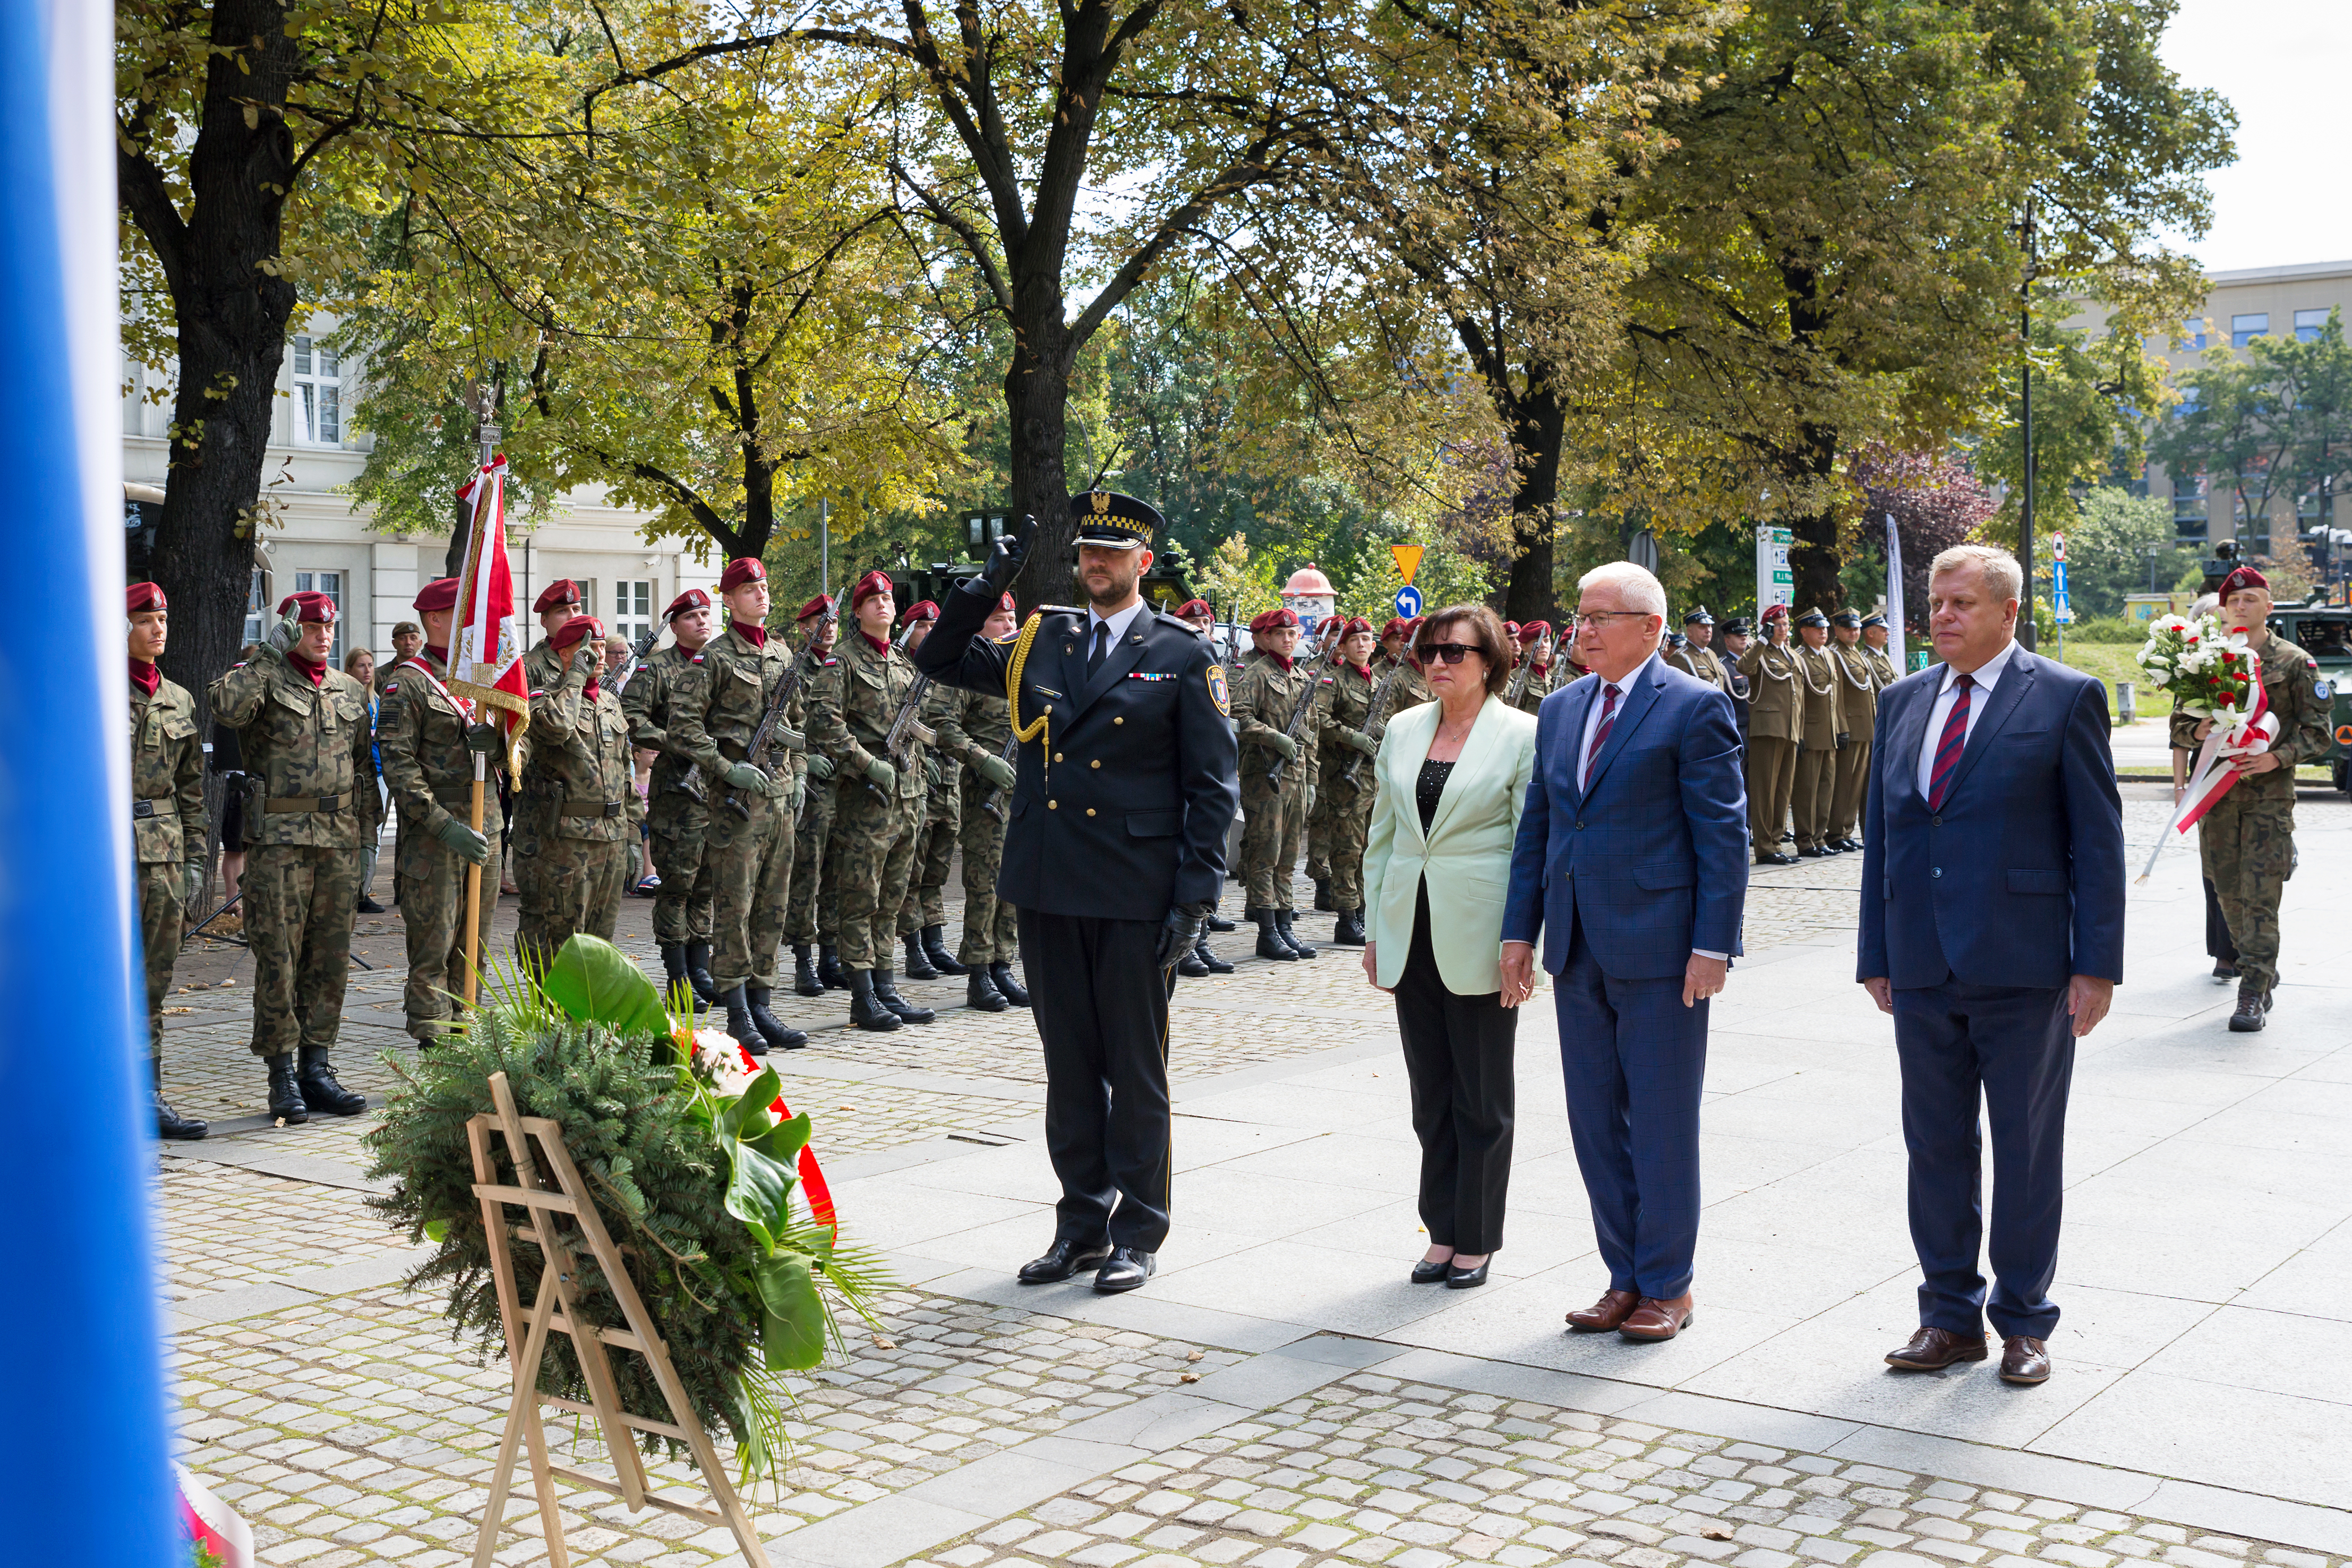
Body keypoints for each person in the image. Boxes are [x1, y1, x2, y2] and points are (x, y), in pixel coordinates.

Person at [912, 492, 1239, 1294]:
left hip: (1136, 890)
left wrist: (1195, 899)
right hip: (1053, 881)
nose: (1095, 564)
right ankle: (1080, 1224)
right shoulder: (1041, 639)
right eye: (1086, 551)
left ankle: (1138, 1229)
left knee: (1135, 1067)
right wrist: (984, 585)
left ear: (1142, 564)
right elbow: (939, 659)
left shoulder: (1183, 654)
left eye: (1111, 553)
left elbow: (1213, 788)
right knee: (1069, 1066)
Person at [1859, 543, 2125, 1387]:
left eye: (1960, 604)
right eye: (1935, 602)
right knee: (1934, 1148)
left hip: (2025, 967)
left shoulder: (2065, 696)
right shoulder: (1900, 701)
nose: (1940, 616)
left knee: (2024, 1148)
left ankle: (2022, 1321)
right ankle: (1947, 1317)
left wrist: (2097, 966)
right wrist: (1876, 952)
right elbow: (1885, 840)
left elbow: (2097, 844)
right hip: (1923, 966)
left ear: (2008, 612)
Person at [1500, 562, 1747, 1343]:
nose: (1584, 629)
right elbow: (1539, 826)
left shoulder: (1695, 707)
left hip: (1663, 949)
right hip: (1577, 946)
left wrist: (1714, 944)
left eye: (1601, 616)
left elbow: (1723, 837)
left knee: (1664, 1118)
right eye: (1579, 614)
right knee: (1595, 1120)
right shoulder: (1563, 706)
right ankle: (1623, 1275)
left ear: (1650, 627)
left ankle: (1669, 1283)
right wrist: (1519, 930)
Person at [1361, 603, 1538, 1288]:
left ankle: (1478, 1236)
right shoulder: (1404, 730)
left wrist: (1523, 940)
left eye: (1453, 652)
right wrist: (1376, 928)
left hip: (1483, 931)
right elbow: (1383, 838)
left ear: (1488, 660)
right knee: (1430, 1096)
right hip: (1412, 930)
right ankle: (1440, 1232)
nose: (1437, 662)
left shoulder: (1521, 734)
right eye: (1428, 651)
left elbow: (1530, 848)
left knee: (1482, 1099)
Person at [208, 593, 375, 1125]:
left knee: (328, 960)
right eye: (310, 626)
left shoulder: (350, 689)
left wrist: (367, 833)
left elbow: (362, 767)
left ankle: (317, 1069)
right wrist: (263, 655)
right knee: (279, 958)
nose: (323, 635)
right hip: (279, 839)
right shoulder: (264, 678)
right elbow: (224, 707)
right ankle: (281, 1076)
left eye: (329, 626)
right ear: (290, 628)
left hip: (338, 840)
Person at [2170, 565, 2330, 1030]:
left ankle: (2251, 993)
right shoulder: (2205, 660)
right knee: (2227, 895)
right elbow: (2178, 723)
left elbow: (2318, 732)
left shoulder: (2295, 662)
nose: (2240, 607)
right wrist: (2197, 728)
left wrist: (2276, 759)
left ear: (2268, 607)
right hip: (2216, 798)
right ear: (2223, 609)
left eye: (2250, 600)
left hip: (2267, 800)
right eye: (2233, 602)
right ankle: (2260, 968)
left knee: (2261, 897)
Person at [670, 560, 810, 1051]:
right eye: (749, 590)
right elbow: (683, 727)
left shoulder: (781, 652)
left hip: (778, 800)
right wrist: (726, 769)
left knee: (773, 906)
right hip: (736, 806)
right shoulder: (714, 658)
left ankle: (763, 1003)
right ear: (728, 600)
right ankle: (736, 1010)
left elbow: (796, 722)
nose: (761, 595)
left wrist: (799, 771)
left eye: (764, 587)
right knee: (735, 905)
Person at [807, 569, 936, 1031]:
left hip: (906, 797)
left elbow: (919, 724)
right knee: (860, 899)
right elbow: (823, 723)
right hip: (866, 798)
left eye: (887, 598)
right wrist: (867, 763)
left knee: (892, 899)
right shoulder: (840, 662)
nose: (882, 603)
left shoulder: (903, 663)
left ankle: (886, 987)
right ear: (857, 612)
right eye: (871, 599)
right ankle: (862, 996)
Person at [374, 577, 501, 1047]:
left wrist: (503, 744)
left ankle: (467, 1038)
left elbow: (515, 752)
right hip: (436, 835)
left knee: (474, 949)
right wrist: (444, 826)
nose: (473, 623)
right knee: (433, 949)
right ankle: (436, 1051)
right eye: (461, 614)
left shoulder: (481, 678)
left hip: (486, 823)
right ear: (434, 619)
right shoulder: (405, 683)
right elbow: (399, 766)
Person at [126, 583, 209, 1141]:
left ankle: (149, 1095)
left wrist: (198, 861)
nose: (159, 628)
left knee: (153, 983)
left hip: (164, 858)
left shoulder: (179, 699)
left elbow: (192, 790)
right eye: (146, 618)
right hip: (105, 857)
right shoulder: (91, 689)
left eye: (163, 617)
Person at [515, 615, 640, 966]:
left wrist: (632, 833)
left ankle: (592, 1017)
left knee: (602, 946)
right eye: (589, 648)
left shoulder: (610, 703)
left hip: (612, 836)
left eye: (602, 647)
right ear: (566, 652)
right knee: (564, 943)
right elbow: (556, 729)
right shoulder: (544, 698)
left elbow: (623, 771)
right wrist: (573, 679)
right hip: (569, 843)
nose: (599, 654)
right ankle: (555, 1017)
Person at [623, 587, 724, 1010]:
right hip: (677, 791)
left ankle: (701, 968)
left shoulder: (721, 663)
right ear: (675, 625)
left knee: (706, 883)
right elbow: (631, 716)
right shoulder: (657, 669)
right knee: (678, 884)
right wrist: (675, 741)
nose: (702, 621)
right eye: (692, 617)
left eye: (706, 614)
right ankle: (678, 976)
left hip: (715, 790)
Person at [937, 592, 1029, 1006]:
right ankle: (978, 972)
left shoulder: (1024, 671)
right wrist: (982, 759)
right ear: (979, 627)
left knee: (1013, 883)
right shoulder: (974, 671)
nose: (1008, 625)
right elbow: (941, 723)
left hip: (1023, 795)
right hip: (984, 795)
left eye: (1011, 617)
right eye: (998, 619)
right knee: (985, 885)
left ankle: (1002, 964)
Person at [1234, 606, 1324, 960]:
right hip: (1264, 778)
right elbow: (1238, 716)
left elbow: (1311, 734)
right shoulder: (1257, 674)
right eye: (1280, 634)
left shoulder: (1302, 678)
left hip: (1297, 778)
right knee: (1264, 853)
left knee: (1289, 855)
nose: (1288, 639)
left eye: (1293, 634)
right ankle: (1267, 931)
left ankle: (1286, 926)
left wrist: (1313, 777)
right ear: (1267, 637)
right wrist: (1274, 738)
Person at [893, 601, 969, 980]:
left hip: (948, 781)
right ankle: (914, 948)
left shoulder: (948, 670)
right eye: (923, 626)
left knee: (936, 869)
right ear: (909, 631)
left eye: (935, 626)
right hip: (917, 778)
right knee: (913, 867)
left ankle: (935, 940)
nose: (930, 632)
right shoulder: (902, 670)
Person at [782, 595, 844, 994]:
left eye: (834, 619)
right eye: (821, 620)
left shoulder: (841, 667)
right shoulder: (793, 670)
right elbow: (783, 724)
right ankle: (803, 958)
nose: (829, 625)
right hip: (811, 784)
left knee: (837, 874)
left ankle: (831, 955)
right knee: (807, 873)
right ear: (803, 626)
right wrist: (809, 756)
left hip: (844, 782)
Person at [1316, 617, 1383, 946]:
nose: (1361, 644)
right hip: (1346, 778)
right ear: (1342, 647)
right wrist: (1352, 738)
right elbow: (1319, 719)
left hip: (1373, 778)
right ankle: (1346, 917)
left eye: (1367, 639)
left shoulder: (1377, 681)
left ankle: (1364, 913)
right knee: (1347, 850)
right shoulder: (1334, 680)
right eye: (1354, 640)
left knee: (1371, 849)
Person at [1739, 605, 1800, 864]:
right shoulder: (1760, 651)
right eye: (1778, 626)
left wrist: (1800, 727)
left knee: (1782, 791)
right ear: (1767, 627)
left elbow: (1798, 694)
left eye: (1786, 625)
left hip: (1789, 728)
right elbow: (1745, 667)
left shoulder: (1791, 654)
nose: (1784, 630)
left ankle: (1776, 841)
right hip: (1767, 728)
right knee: (1765, 790)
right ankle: (1765, 847)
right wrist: (1763, 639)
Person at [1789, 608, 1843, 857]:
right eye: (1817, 628)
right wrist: (1799, 733)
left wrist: (1841, 728)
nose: (1824, 632)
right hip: (1810, 732)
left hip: (1829, 732)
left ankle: (1820, 837)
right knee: (1806, 790)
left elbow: (1836, 698)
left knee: (1825, 788)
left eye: (1824, 628)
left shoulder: (1829, 656)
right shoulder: (1800, 657)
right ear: (1804, 632)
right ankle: (1805, 839)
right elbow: (1797, 699)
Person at [1825, 609, 1879, 853]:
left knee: (1856, 785)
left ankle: (1846, 830)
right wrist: (1841, 727)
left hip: (1864, 727)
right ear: (1836, 630)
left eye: (1856, 628)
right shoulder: (1835, 653)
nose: (1854, 632)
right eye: (1848, 628)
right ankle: (1837, 832)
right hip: (1850, 726)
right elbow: (1836, 696)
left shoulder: (1854, 653)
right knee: (1844, 784)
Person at [344, 647, 388, 912]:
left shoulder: (376, 699)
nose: (368, 671)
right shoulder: (346, 698)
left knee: (376, 833)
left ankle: (364, 889)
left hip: (378, 774)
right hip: (354, 775)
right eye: (361, 665)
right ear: (349, 669)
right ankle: (354, 888)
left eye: (370, 665)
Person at [1718, 618, 1754, 751]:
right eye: (1739, 636)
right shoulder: (1722, 665)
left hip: (1756, 731)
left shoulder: (1755, 664)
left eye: (1745, 635)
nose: (1744, 638)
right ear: (1727, 641)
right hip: (1737, 730)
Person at [1509, 621, 1555, 714]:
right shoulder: (1513, 679)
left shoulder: (1551, 680)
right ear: (1524, 647)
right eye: (1537, 642)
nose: (1543, 645)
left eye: (1546, 641)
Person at [382, 621, 422, 691]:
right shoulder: (379, 676)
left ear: (420, 644)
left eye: (413, 638)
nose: (408, 643)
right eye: (402, 638)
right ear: (394, 644)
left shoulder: (427, 673)